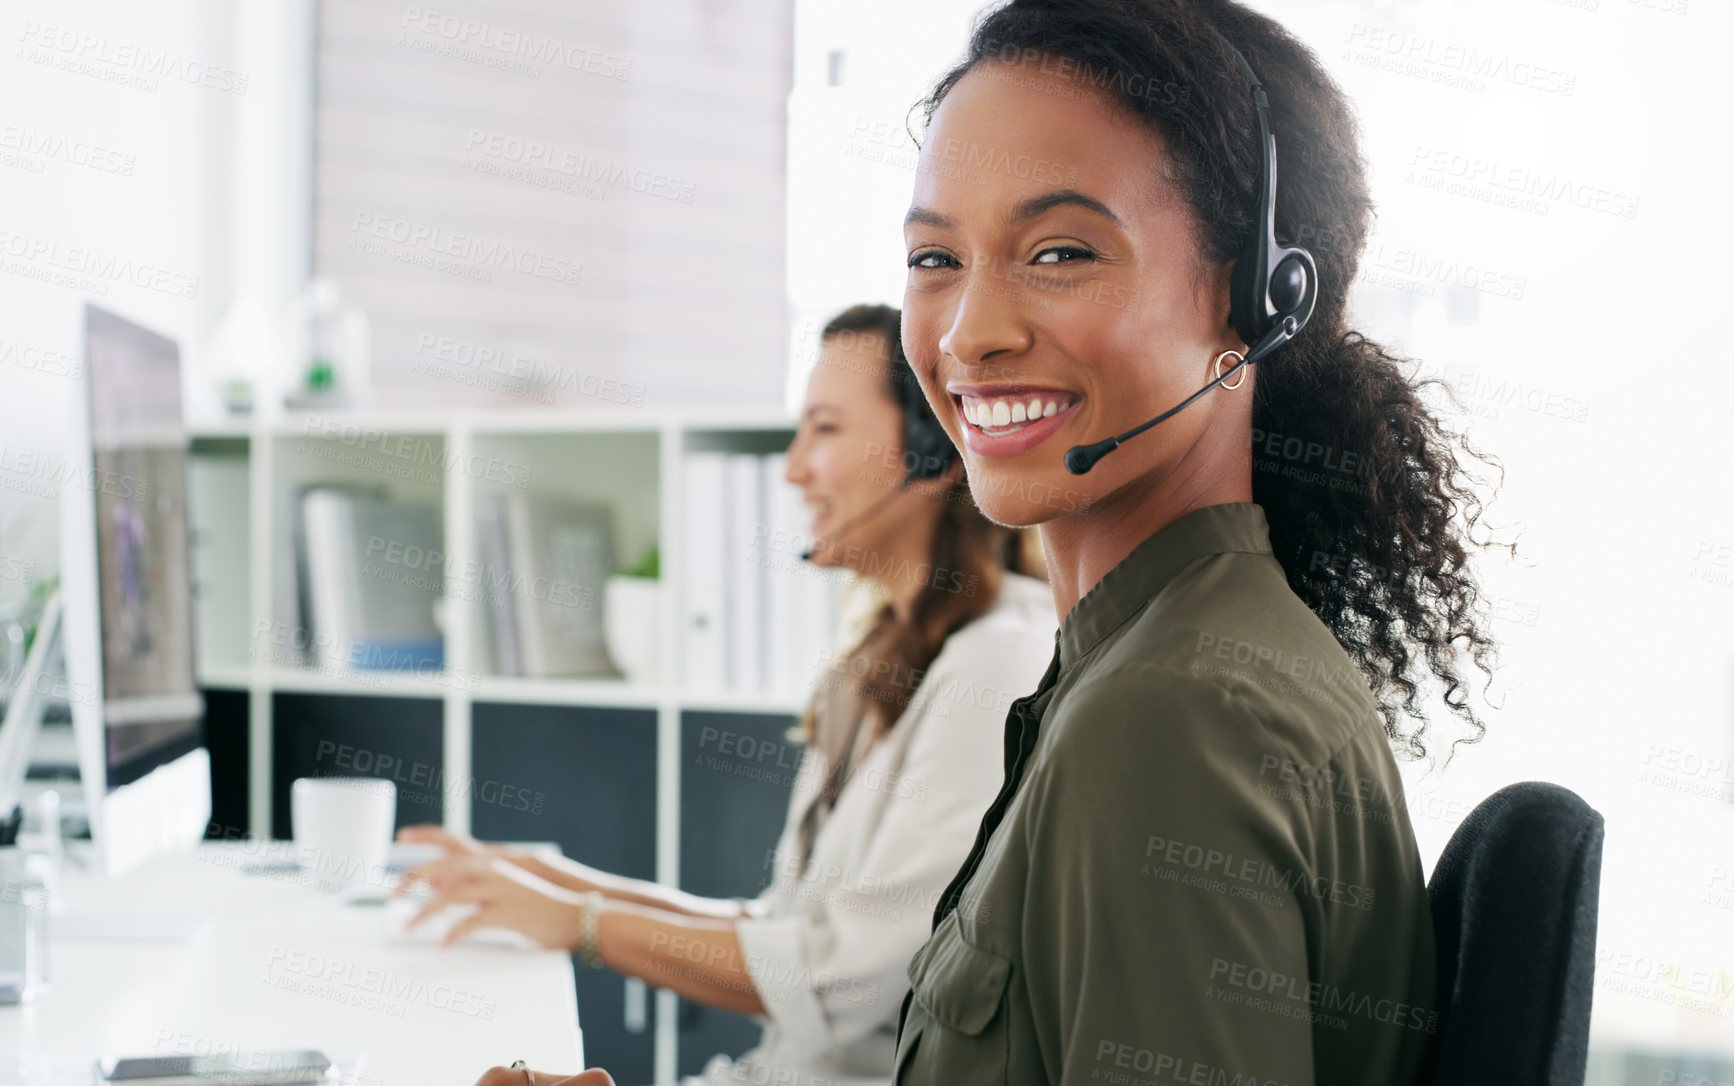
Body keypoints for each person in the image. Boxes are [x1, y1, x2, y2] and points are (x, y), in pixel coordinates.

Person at [888, 2, 1512, 1085]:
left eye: (1060, 251)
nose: (967, 333)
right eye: (936, 256)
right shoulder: (1168, 660)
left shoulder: (1170, 720)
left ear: (1261, 300)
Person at [410, 304, 1058, 1086]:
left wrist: (580, 924)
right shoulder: (878, 662)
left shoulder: (995, 666)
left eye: (823, 429)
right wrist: (559, 884)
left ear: (932, 454)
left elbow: (835, 981)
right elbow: (789, 931)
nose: (792, 469)